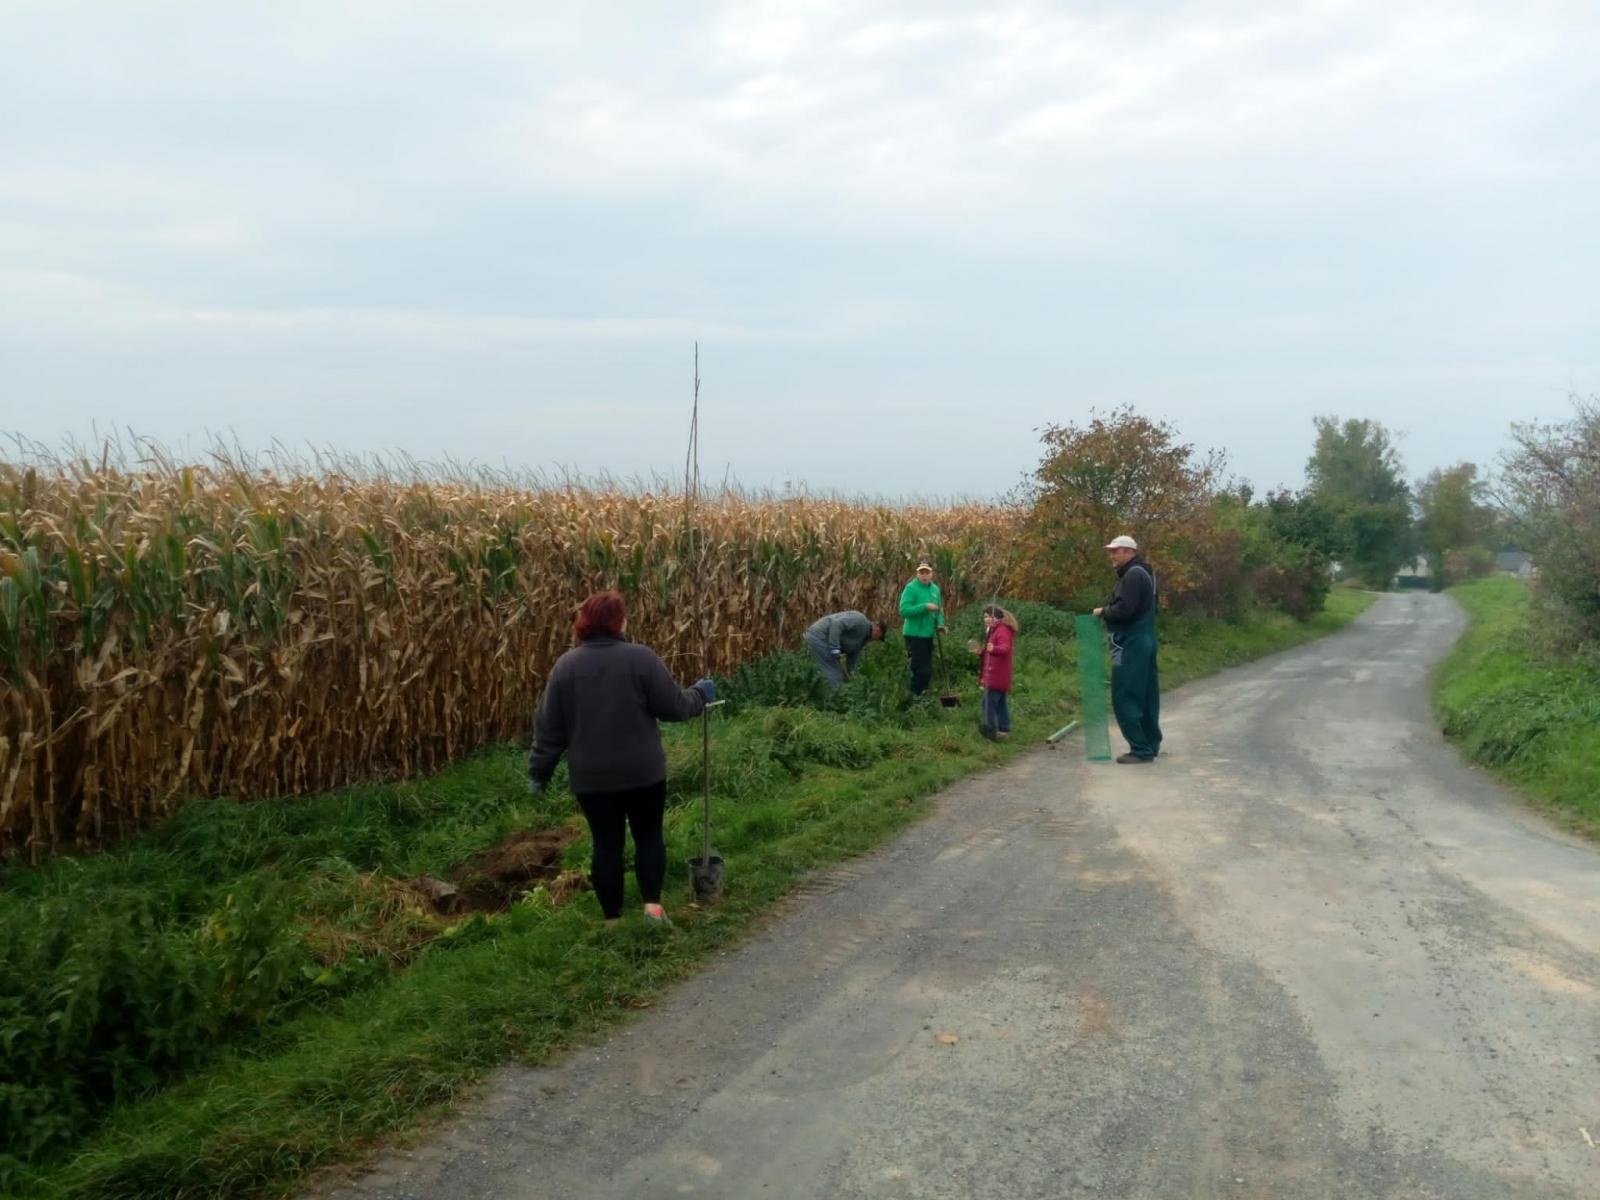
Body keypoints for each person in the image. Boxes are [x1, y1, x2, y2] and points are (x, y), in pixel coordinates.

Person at [528, 590, 716, 924]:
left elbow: (549, 730)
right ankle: (653, 910)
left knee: (606, 845)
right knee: (648, 836)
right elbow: (674, 707)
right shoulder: (641, 659)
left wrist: (539, 773)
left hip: (592, 779)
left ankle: (612, 920)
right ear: (618, 623)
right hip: (642, 773)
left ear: (583, 623)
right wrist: (700, 693)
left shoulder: (566, 667)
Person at [1093, 535, 1163, 764]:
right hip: (1146, 640)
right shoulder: (1147, 573)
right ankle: (1150, 744)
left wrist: (1103, 612)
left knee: (1126, 694)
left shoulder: (1132, 575)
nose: (1111, 556)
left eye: (1116, 551)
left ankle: (1140, 749)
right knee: (1147, 695)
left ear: (1129, 552)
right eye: (1111, 551)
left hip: (1130, 643)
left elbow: (1124, 610)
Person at [969, 605, 1017, 740]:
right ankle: (1004, 730)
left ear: (995, 617)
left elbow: (1005, 649)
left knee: (987, 703)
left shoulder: (1002, 631)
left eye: (988, 616)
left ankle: (990, 731)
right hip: (997, 674)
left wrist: (993, 648)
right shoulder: (993, 631)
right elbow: (991, 651)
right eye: (984, 616)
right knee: (1001, 703)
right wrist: (982, 651)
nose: (985, 619)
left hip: (996, 674)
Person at [898, 561, 946, 695]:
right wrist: (925, 607)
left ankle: (922, 694)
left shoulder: (935, 589)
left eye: (927, 572)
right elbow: (904, 611)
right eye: (921, 572)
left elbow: (938, 609)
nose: (924, 575)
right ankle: (915, 696)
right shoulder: (911, 588)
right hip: (914, 634)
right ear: (917, 574)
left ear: (932, 574)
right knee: (921, 669)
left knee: (926, 668)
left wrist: (941, 624)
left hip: (928, 634)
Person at [803, 611, 884, 688]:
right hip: (820, 636)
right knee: (835, 676)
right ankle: (835, 699)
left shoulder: (863, 640)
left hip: (824, 641)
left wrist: (852, 676)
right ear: (877, 627)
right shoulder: (860, 620)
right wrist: (835, 649)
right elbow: (836, 624)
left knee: (827, 672)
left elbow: (853, 658)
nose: (877, 640)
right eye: (879, 636)